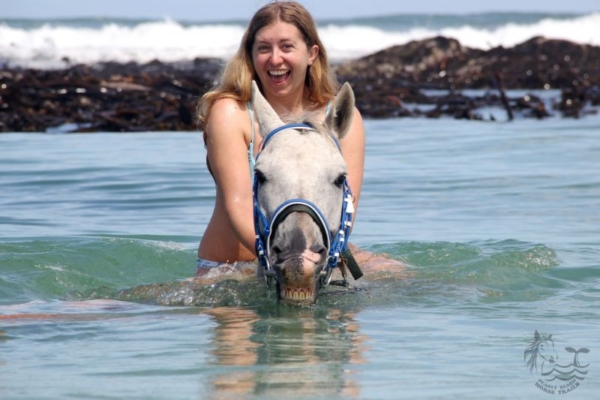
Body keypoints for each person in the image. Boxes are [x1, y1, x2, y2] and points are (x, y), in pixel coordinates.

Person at [196, 0, 365, 276]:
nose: (275, 59)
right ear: (250, 55)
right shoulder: (231, 113)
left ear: (311, 54)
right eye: (263, 48)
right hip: (231, 271)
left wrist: (309, 263)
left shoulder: (343, 117)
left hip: (312, 263)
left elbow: (347, 206)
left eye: (287, 46)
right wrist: (286, 263)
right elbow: (237, 204)